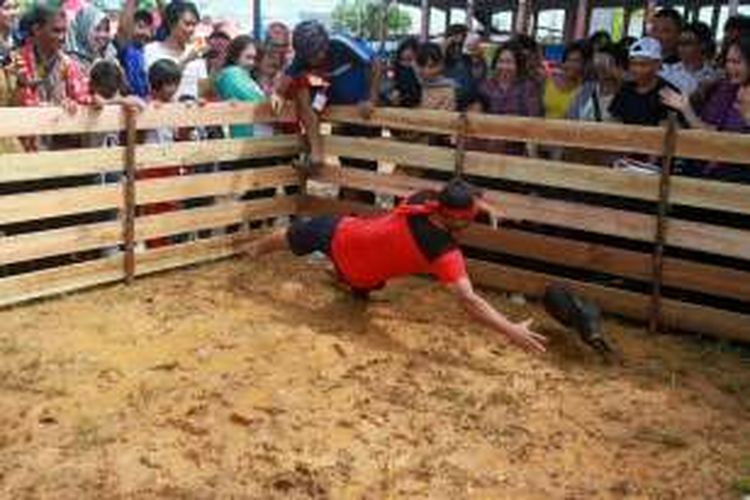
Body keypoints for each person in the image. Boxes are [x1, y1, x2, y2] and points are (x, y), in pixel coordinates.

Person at [240, 178, 547, 355]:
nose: (472, 219)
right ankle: (329, 271)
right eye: (471, 216)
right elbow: (470, 301)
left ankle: (254, 250)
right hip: (357, 266)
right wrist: (511, 330)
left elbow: (450, 192)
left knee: (294, 235)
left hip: (343, 236)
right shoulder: (442, 251)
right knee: (359, 279)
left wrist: (486, 206)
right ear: (455, 218)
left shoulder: (421, 199)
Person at [276, 20, 379, 202]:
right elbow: (283, 84)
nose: (318, 58)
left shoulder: (341, 43)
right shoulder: (302, 58)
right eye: (311, 56)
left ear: (326, 43)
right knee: (346, 167)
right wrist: (274, 98)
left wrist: (371, 98)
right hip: (338, 113)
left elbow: (376, 62)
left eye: (320, 51)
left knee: (365, 169)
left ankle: (365, 214)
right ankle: (316, 151)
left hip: (361, 113)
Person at [661, 36, 750, 182]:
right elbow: (714, 132)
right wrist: (686, 109)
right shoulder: (726, 90)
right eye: (728, 61)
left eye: (736, 62)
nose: (730, 67)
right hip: (712, 168)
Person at [14, 5, 90, 150]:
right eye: (56, 31)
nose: (62, 38)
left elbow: (84, 98)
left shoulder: (69, 64)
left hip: (60, 152)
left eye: (64, 31)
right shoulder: (14, 62)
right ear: (36, 30)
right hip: (20, 151)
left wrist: (72, 105)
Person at [475, 41, 542, 155]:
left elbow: (533, 120)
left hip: (516, 148)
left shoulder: (528, 87)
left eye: (509, 62)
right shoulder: (485, 86)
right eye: (500, 61)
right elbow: (478, 117)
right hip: (487, 147)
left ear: (518, 65)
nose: (504, 67)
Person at [144, 1, 206, 101]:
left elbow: (203, 91)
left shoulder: (196, 53)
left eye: (194, 25)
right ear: (171, 23)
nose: (191, 29)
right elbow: (153, 88)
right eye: (187, 24)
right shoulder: (150, 50)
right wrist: (185, 61)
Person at [609, 37, 678, 127]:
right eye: (633, 64)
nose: (637, 69)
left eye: (643, 65)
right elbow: (614, 120)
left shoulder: (668, 94)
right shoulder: (625, 90)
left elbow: (667, 129)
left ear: (657, 65)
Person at [214, 35, 267, 138]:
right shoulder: (231, 74)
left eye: (255, 59)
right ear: (235, 56)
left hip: (254, 137)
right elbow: (255, 100)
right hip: (241, 138)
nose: (252, 63)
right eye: (248, 57)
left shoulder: (246, 75)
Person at [569, 42, 627, 122]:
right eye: (598, 62)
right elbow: (572, 118)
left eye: (609, 62)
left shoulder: (628, 95)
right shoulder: (586, 90)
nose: (602, 68)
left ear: (620, 67)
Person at [661, 21, 717, 95]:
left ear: (703, 45)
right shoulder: (667, 71)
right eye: (679, 43)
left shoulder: (713, 76)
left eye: (687, 43)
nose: (681, 48)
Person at [116, 0, 155, 98]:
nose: (145, 33)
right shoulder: (126, 49)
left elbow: (168, 23)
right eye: (140, 27)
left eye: (149, 28)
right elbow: (123, 29)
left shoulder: (151, 51)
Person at [543, 40, 589, 120]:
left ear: (584, 64)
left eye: (577, 61)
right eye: (568, 60)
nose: (571, 65)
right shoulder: (548, 80)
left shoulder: (584, 90)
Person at [65, 4, 116, 72]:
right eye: (97, 29)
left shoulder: (111, 56)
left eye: (107, 29)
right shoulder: (71, 62)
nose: (103, 35)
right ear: (84, 29)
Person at [443, 23, 477, 110]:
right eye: (453, 45)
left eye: (461, 45)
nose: (457, 49)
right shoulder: (442, 61)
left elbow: (478, 78)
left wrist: (476, 54)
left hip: (468, 105)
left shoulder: (471, 61)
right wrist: (443, 49)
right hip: (446, 105)